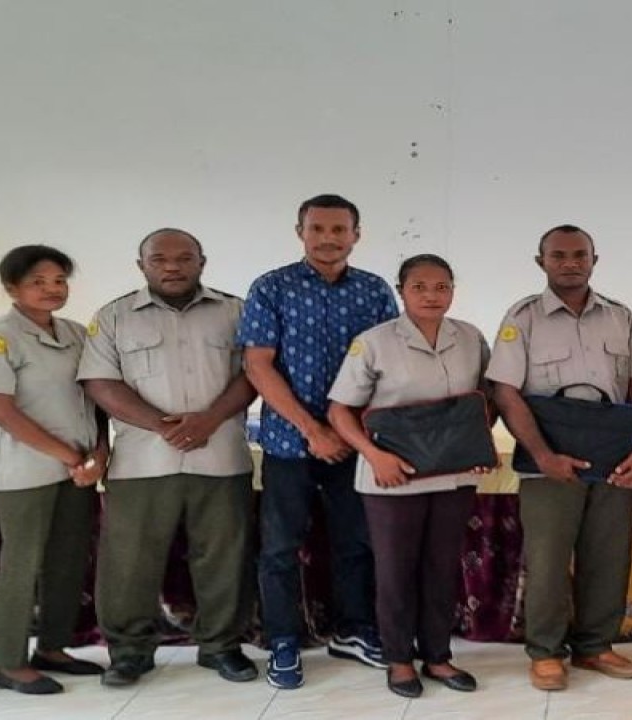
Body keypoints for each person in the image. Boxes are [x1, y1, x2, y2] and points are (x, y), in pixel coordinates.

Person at [79, 229, 258, 687]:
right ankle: (129, 652)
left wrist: (208, 419)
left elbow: (255, 373)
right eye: (160, 259)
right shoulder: (114, 316)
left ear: (202, 262)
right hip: (142, 464)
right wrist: (163, 425)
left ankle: (221, 647)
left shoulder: (236, 311)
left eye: (184, 258)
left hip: (220, 457)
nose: (172, 266)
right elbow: (100, 383)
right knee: (129, 561)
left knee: (224, 556)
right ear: (142, 266)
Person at [239, 194, 398, 688]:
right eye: (318, 229)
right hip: (290, 443)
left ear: (356, 234)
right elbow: (257, 365)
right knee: (280, 548)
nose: (328, 238)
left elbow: (386, 366)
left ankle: (353, 631)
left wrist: (350, 431)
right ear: (300, 231)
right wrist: (313, 430)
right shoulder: (272, 287)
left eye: (339, 230)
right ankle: (284, 641)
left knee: (358, 542)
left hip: (355, 444)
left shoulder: (374, 291)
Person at [487, 224, 632, 691]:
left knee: (608, 556)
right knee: (547, 559)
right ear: (541, 262)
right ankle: (546, 653)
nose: (569, 263)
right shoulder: (522, 318)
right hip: (549, 458)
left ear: (595, 259)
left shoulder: (620, 316)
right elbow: (505, 391)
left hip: (614, 457)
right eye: (558, 255)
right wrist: (542, 455)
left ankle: (595, 647)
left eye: (579, 255)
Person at [326, 254, 490, 699]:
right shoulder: (374, 342)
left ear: (453, 290)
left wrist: (478, 447)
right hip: (391, 477)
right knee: (396, 571)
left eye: (441, 286)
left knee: (441, 567)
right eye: (419, 286)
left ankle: (437, 656)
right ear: (401, 291)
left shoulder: (472, 338)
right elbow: (340, 410)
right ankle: (399, 660)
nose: (431, 295)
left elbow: (482, 401)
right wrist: (373, 455)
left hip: (453, 475)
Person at [0, 245, 106, 694]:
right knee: (22, 562)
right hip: (27, 470)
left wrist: (97, 456)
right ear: (12, 288)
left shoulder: (75, 333)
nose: (52, 290)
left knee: (67, 561)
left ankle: (52, 647)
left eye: (59, 281)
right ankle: (8, 662)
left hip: (78, 470)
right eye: (38, 282)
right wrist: (69, 456)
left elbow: (96, 397)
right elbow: (2, 410)